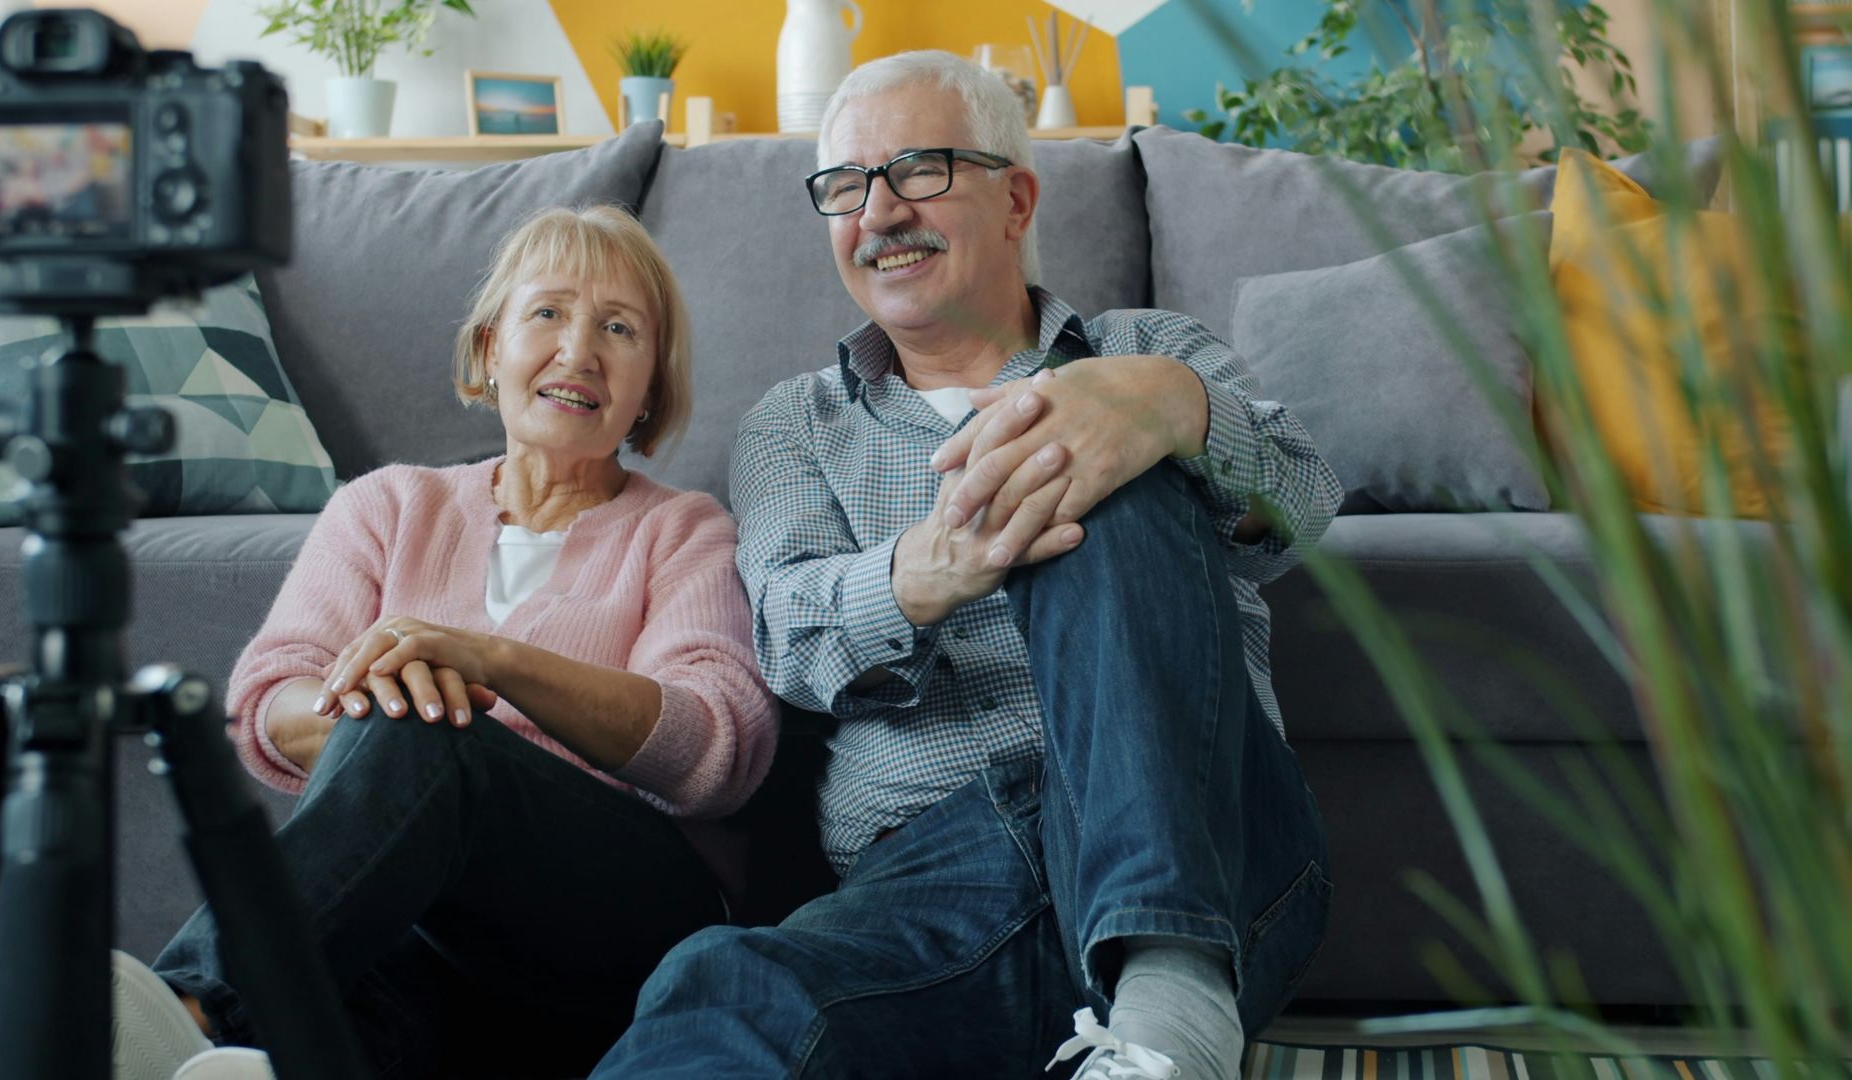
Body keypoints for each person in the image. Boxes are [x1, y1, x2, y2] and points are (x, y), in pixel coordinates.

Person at [589, 52, 1342, 1080]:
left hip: (1215, 838)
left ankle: (1170, 992)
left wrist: (1172, 403)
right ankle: (1136, 1035)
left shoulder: (1147, 342)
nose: (880, 211)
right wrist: (923, 573)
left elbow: (1303, 503)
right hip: (939, 882)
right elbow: (787, 640)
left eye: (922, 168)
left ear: (1017, 197)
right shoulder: (792, 424)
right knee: (724, 986)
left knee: (1093, 426)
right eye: (847, 186)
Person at [109, 205, 779, 1080]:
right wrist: (403, 695)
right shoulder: (388, 505)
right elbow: (269, 703)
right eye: (548, 314)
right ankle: (224, 1057)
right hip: (444, 939)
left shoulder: (683, 530)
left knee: (422, 732)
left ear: (649, 387)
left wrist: (486, 665)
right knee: (349, 1001)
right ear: (490, 349)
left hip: (623, 927)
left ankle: (193, 1007)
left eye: (619, 329)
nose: (580, 350)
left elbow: (715, 749)